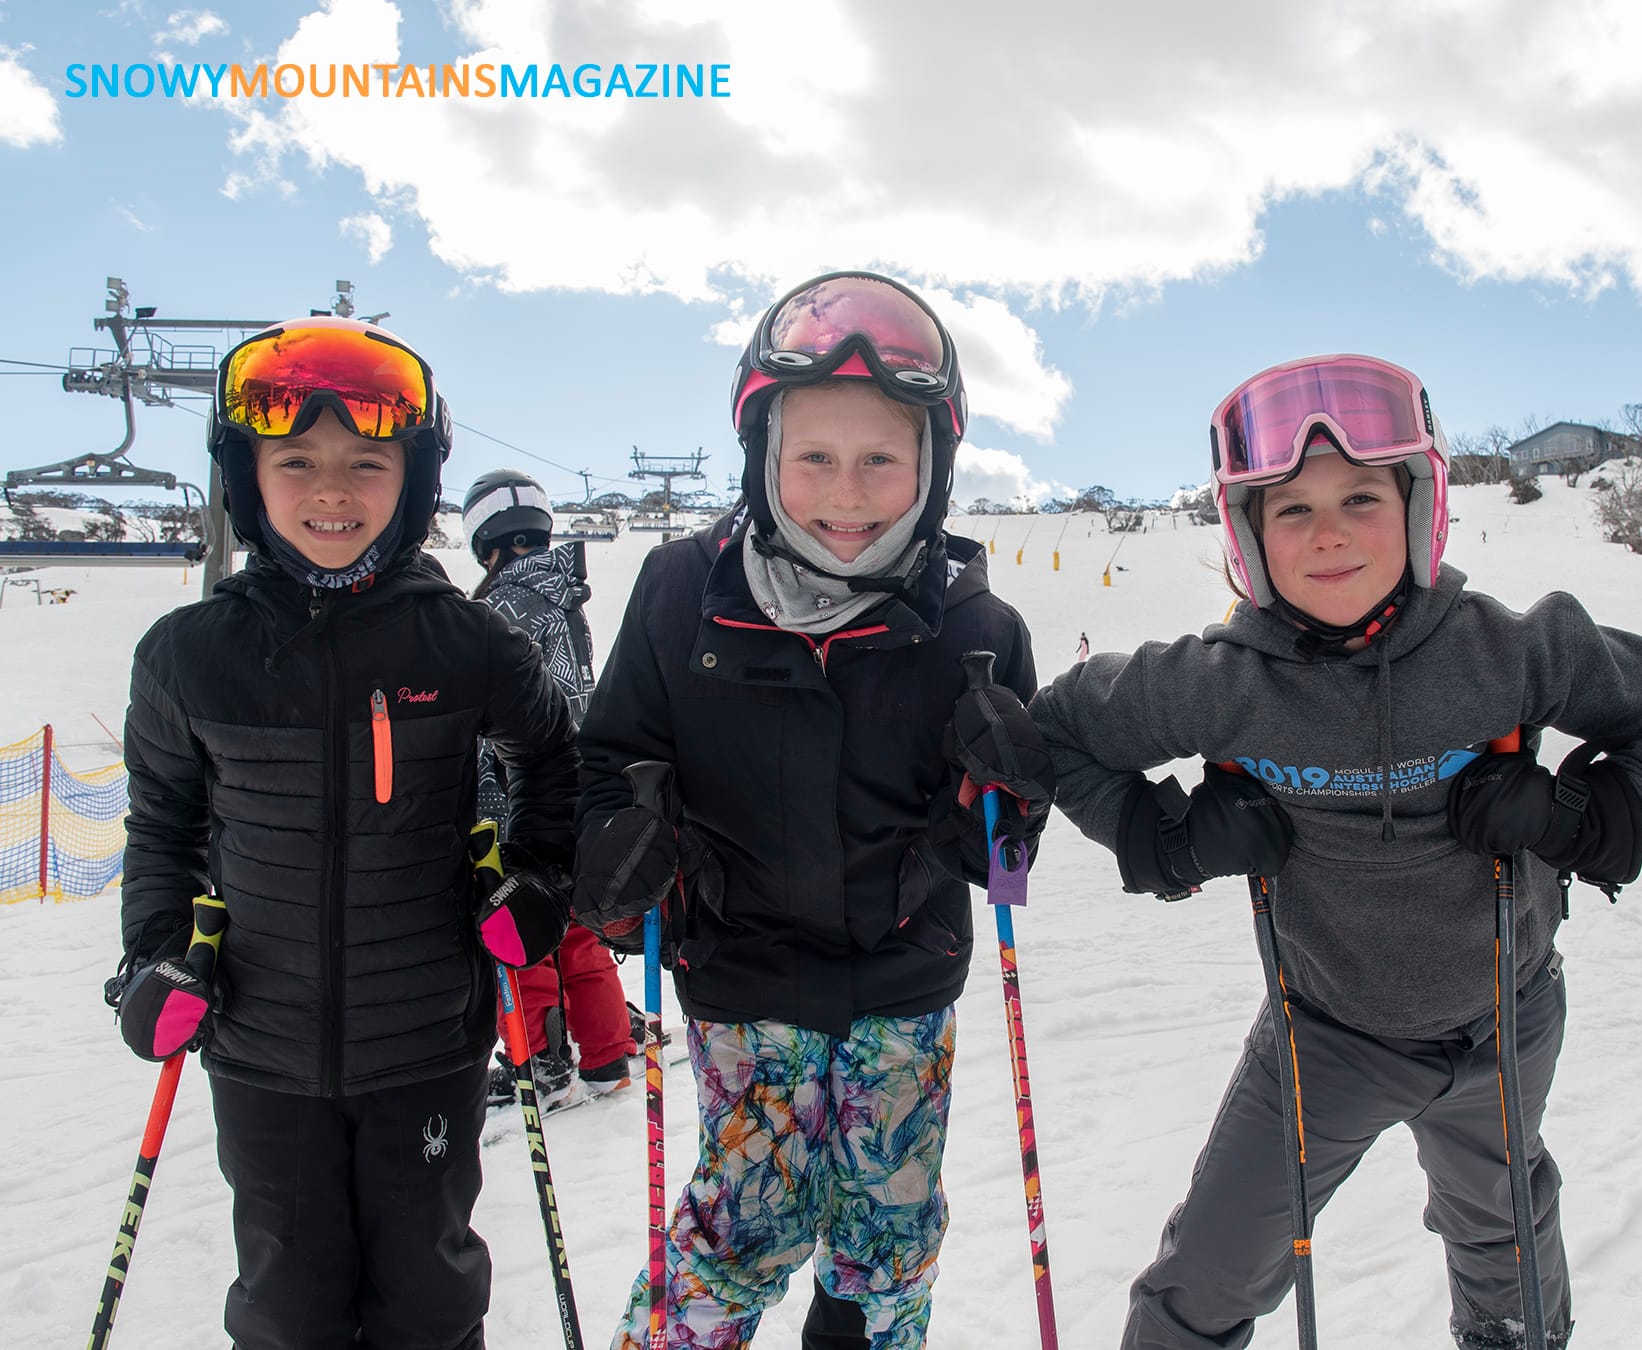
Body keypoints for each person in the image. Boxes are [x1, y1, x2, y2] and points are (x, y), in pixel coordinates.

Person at [1029, 353, 1642, 1350]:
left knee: (1501, 1238)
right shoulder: (1216, 682)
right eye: (1290, 510)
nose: (1327, 532)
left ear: (1417, 507)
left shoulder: (1509, 652)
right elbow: (1057, 736)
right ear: (1246, 535)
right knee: (1214, 1265)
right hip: (1323, 1035)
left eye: (1360, 497)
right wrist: (1166, 840)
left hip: (1504, 1015)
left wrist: (1576, 816)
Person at [569, 271, 1052, 1349]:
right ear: (763, 459)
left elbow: (1004, 867)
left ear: (929, 466)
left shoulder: (975, 626)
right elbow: (611, 764)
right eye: (815, 458)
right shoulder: (678, 591)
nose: (847, 493)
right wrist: (614, 847)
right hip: (740, 982)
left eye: (881, 459)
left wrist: (1011, 796)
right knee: (735, 1231)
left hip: (902, 983)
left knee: (887, 1240)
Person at [108, 316, 580, 1350]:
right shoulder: (191, 655)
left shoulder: (462, 639)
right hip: (261, 1050)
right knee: (286, 1308)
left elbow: (558, 761)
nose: (331, 492)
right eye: (297, 462)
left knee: (429, 1301)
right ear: (247, 476)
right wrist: (152, 957)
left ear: (410, 485)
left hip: (424, 1043)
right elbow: (165, 825)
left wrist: (537, 887)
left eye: (367, 464)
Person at [461, 468, 637, 1108]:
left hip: (517, 799)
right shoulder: (566, 600)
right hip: (579, 791)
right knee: (578, 930)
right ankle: (607, 1051)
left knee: (522, 934)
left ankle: (538, 1060)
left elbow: (491, 723)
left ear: (483, 536)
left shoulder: (494, 608)